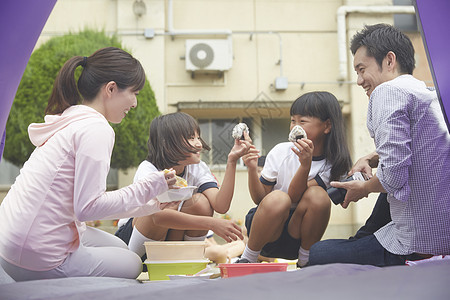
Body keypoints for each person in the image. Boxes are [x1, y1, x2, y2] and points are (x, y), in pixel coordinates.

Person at [0, 47, 179, 281]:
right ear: (111, 89)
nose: (134, 103)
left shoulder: (73, 118)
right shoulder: (96, 129)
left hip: (9, 244)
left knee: (120, 246)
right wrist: (150, 187)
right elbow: (88, 207)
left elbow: (84, 204)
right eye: (134, 93)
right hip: (36, 257)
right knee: (133, 263)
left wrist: (152, 203)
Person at [309, 24, 450, 267]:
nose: (359, 80)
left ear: (389, 60)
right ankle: (363, 241)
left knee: (318, 254)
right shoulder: (428, 94)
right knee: (365, 232)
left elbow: (394, 178)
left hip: (417, 244)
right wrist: (372, 159)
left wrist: (362, 189)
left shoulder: (387, 92)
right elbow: (421, 147)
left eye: (362, 69)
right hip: (439, 230)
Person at [115, 112, 253, 261]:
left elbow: (221, 205)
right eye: (191, 138)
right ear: (167, 144)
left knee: (201, 203)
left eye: (198, 137)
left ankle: (184, 261)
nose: (199, 144)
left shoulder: (197, 167)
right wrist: (212, 223)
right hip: (134, 241)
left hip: (167, 244)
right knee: (161, 206)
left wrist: (232, 161)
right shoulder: (149, 169)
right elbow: (158, 217)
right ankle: (133, 261)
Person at [236, 91, 352, 267]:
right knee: (278, 198)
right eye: (292, 121)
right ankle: (248, 257)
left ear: (326, 126)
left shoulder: (332, 164)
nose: (295, 127)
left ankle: (305, 260)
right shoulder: (281, 151)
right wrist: (252, 168)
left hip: (297, 234)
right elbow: (260, 199)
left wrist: (304, 166)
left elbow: (296, 197)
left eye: (302, 121)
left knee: (318, 196)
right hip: (265, 229)